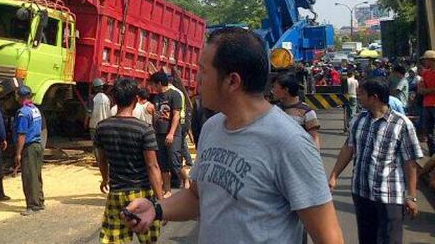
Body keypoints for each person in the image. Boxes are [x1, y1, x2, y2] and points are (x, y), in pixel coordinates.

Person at [124, 27, 343, 244]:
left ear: (232, 81)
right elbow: (197, 196)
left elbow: (329, 238)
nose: (197, 79)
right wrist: (156, 208)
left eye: (203, 71)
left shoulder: (290, 143)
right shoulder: (212, 128)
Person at [329, 77, 423, 244]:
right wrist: (334, 175)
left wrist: (412, 196)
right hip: (361, 192)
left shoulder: (402, 124)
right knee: (367, 239)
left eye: (362, 94)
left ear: (374, 97)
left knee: (390, 240)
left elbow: (410, 162)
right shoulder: (359, 119)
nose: (358, 97)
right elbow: (348, 148)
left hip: (389, 196)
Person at [94, 78, 163, 244]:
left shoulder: (102, 127)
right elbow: (152, 166)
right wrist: (161, 201)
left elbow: (101, 159)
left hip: (116, 194)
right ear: (135, 100)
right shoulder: (144, 129)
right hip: (141, 195)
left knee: (115, 240)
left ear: (114, 100)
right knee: (148, 240)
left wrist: (105, 178)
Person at [150, 71, 188, 194]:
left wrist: (171, 133)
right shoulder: (156, 98)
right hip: (159, 133)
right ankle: (167, 190)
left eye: (153, 85)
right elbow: (156, 116)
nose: (152, 87)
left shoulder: (174, 95)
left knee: (174, 160)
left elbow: (176, 115)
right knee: (163, 164)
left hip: (173, 133)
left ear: (159, 83)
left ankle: (186, 179)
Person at [12, 86, 45, 216]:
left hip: (29, 147)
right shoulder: (35, 109)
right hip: (38, 145)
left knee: (29, 176)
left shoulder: (23, 113)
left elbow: (21, 135)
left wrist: (18, 153)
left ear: (20, 97)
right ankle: (40, 201)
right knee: (36, 175)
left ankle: (32, 205)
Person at [272, 73, 321, 148]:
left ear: (285, 90)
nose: (272, 91)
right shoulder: (274, 110)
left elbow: (314, 138)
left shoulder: (307, 112)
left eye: (274, 88)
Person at [88, 78, 111, 162]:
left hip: (94, 125)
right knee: (104, 144)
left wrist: (86, 121)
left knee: (96, 144)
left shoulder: (92, 98)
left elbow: (89, 113)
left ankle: (99, 161)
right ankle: (104, 160)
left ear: (94, 88)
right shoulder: (107, 99)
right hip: (105, 125)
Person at [419, 50, 435, 156]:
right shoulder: (425, 73)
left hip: (431, 105)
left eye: (425, 59)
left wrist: (426, 90)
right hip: (427, 105)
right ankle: (431, 152)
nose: (424, 62)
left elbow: (422, 90)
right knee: (428, 130)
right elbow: (420, 90)